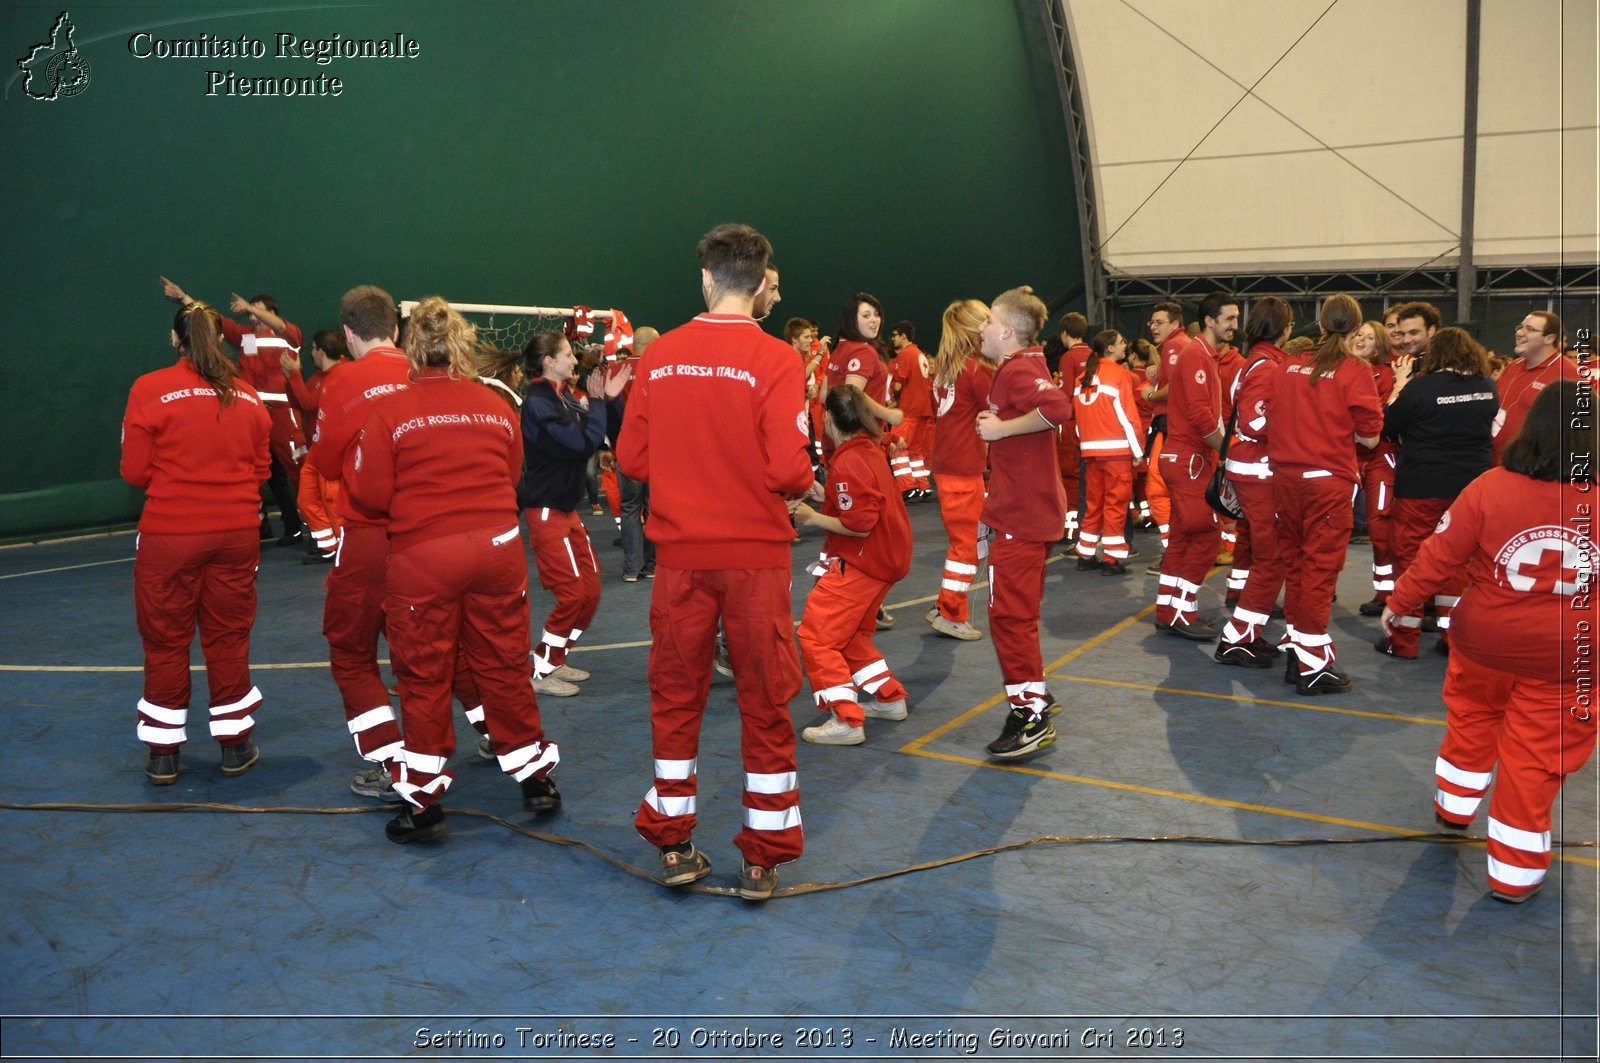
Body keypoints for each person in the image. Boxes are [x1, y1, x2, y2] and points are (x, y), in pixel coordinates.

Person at [618, 223, 814, 901]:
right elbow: (790, 468)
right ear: (760, 284)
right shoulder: (778, 360)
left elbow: (632, 460)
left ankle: (673, 842)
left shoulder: (662, 354)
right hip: (755, 561)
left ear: (706, 279)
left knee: (676, 699)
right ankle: (761, 858)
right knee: (766, 701)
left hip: (680, 558)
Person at [345, 296, 561, 844]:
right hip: (498, 550)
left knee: (424, 675)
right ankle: (536, 779)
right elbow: (512, 474)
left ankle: (424, 806)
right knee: (504, 665)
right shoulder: (495, 405)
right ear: (461, 345)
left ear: (412, 347)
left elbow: (370, 495)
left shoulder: (390, 411)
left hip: (426, 556)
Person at [1382, 380, 1596, 903]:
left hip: (1483, 644)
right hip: (1567, 659)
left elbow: (1439, 556)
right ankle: (1514, 877)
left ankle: (1453, 808)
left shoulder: (1489, 486)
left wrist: (1399, 603)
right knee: (1534, 762)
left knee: (1471, 725)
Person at [121, 300, 271, 784]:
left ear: (174, 339)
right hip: (237, 535)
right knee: (228, 637)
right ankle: (235, 745)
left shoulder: (150, 389)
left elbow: (134, 471)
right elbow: (262, 469)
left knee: (165, 642)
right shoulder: (249, 397)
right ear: (221, 338)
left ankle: (164, 754)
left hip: (171, 536)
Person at [306, 285, 414, 801]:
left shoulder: (344, 380)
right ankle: (500, 739)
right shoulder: (426, 373)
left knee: (351, 651)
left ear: (348, 333)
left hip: (371, 537)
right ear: (395, 328)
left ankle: (390, 759)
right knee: (438, 647)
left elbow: (324, 462)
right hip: (433, 537)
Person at [1265, 294, 1383, 694]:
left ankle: (1300, 654)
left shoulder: (1288, 365)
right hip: (1326, 482)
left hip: (1284, 479)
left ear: (1319, 325)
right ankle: (1314, 666)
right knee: (1319, 572)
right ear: (1355, 328)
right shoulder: (1355, 370)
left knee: (1297, 568)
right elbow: (1369, 437)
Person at [974, 286, 1073, 759]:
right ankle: (1034, 695)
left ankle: (1030, 715)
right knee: (1016, 616)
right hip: (1024, 511)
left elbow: (1058, 409)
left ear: (1008, 331)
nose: (982, 328)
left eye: (989, 321)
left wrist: (1002, 429)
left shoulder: (1018, 368)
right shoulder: (1021, 365)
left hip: (1022, 517)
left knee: (1011, 620)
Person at [791, 386, 914, 745]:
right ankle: (887, 697)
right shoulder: (866, 450)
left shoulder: (847, 460)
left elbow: (859, 525)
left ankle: (845, 717)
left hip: (864, 562)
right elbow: (859, 502)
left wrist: (813, 517)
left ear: (828, 418)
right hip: (887, 558)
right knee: (851, 636)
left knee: (816, 637)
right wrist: (825, 494)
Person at [1374, 327, 1499, 659]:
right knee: (1459, 561)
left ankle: (1402, 639)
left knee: (1410, 558)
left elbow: (1386, 425)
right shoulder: (1487, 386)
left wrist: (1399, 385)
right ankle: (1453, 635)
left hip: (1422, 484)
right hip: (1471, 486)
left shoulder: (1421, 388)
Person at [518, 331, 629, 697]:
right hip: (546, 509)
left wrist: (608, 401)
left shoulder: (562, 397)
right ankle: (540, 669)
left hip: (564, 509)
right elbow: (581, 444)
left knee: (591, 589)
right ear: (549, 362)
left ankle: (554, 658)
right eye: (567, 354)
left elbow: (600, 433)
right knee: (572, 593)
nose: (573, 360)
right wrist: (598, 402)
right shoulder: (538, 401)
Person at [161, 277, 307, 545]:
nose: (252, 314)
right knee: (264, 477)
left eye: (258, 309)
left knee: (300, 470)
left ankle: (319, 527)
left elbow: (279, 325)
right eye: (250, 310)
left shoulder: (289, 335)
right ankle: (282, 527)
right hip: (255, 417)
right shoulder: (244, 336)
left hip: (285, 415)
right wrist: (183, 297)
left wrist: (250, 308)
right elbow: (210, 318)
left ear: (273, 313)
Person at [1213, 297, 1293, 667]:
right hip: (1259, 472)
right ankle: (1236, 638)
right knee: (1271, 558)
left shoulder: (1254, 363)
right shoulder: (1266, 366)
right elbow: (1254, 422)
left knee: (1268, 557)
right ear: (1286, 328)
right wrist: (1299, 430)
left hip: (1252, 471)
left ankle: (1244, 634)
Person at [1153, 292, 1237, 638]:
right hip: (1189, 459)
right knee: (1205, 536)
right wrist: (1229, 452)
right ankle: (1182, 612)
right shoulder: (1195, 355)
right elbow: (1202, 416)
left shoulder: (1203, 355)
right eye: (1229, 319)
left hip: (1184, 457)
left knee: (1183, 537)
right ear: (1209, 321)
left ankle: (1168, 608)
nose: (1235, 325)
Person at [925, 299, 995, 641]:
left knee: (964, 542)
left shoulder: (946, 368)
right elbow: (999, 410)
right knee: (965, 548)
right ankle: (952, 613)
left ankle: (944, 605)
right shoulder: (977, 370)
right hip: (963, 469)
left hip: (948, 465)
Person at [1071, 329, 1143, 574]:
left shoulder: (1082, 378)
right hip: (1116, 452)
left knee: (1093, 504)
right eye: (1123, 342)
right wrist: (1138, 450)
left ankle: (1086, 553)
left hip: (1090, 452)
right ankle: (1111, 560)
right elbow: (1127, 416)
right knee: (1115, 504)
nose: (1126, 346)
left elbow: (1078, 423)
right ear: (1110, 348)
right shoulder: (1119, 374)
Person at [282, 329, 349, 564]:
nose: (311, 352)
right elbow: (299, 400)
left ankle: (340, 547)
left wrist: (294, 374)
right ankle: (328, 545)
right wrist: (291, 377)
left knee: (330, 500)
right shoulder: (320, 376)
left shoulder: (341, 374)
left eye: (312, 348)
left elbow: (310, 403)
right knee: (307, 498)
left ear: (321, 350)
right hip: (316, 448)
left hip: (332, 449)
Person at [1352, 320, 1401, 615]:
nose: (1362, 340)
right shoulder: (1342, 369)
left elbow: (1380, 416)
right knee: (1334, 525)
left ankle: (1386, 591)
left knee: (1379, 523)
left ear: (1380, 344)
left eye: (1369, 337)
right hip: (1345, 456)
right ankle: (1324, 586)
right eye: (1359, 334)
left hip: (1380, 456)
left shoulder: (1386, 374)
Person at [1493, 311, 1579, 464]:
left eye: (1530, 329)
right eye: (1520, 327)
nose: (1520, 333)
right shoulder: (1513, 366)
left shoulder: (1568, 374)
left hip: (1534, 468)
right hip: (1498, 461)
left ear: (1549, 338)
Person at [608, 326, 658, 582]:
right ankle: (650, 566)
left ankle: (631, 568)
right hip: (653, 451)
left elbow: (606, 410)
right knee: (651, 507)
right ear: (653, 344)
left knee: (629, 508)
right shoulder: (657, 370)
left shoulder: (613, 370)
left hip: (625, 449)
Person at [1139, 301, 1187, 564]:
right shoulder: (1183, 345)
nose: (1154, 327)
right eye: (1152, 322)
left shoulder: (1173, 346)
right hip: (1177, 428)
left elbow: (1177, 386)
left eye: (1159, 322)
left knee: (1157, 490)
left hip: (1169, 428)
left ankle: (1174, 551)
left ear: (1175, 324)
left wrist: (1151, 393)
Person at [1051, 312, 1093, 544]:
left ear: (1065, 333)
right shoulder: (1094, 355)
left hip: (1071, 423)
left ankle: (1070, 529)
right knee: (1085, 477)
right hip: (1090, 423)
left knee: (1069, 476)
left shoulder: (1069, 358)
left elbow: (1065, 393)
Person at [888, 321, 934, 499]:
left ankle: (907, 487)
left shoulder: (906, 354)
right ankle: (923, 485)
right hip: (923, 410)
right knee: (915, 451)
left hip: (909, 409)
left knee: (896, 448)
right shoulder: (919, 353)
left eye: (894, 335)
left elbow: (899, 385)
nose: (892, 339)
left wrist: (895, 403)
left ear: (903, 336)